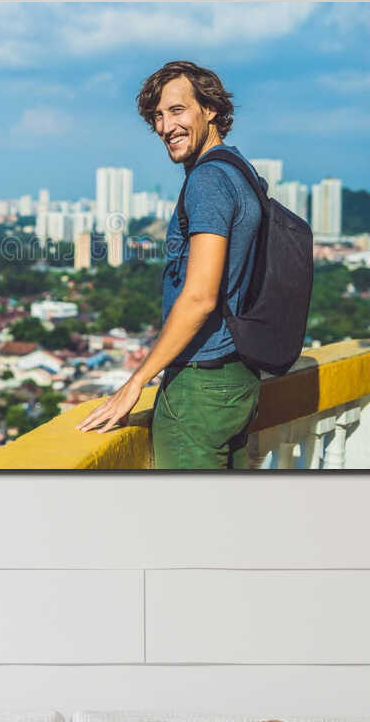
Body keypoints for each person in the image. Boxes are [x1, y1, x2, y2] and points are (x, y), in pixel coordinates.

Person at [78, 60, 261, 469]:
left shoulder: (208, 180)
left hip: (200, 385)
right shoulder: (241, 172)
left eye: (177, 111)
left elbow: (199, 297)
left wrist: (134, 384)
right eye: (157, 117)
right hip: (238, 379)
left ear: (210, 109)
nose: (165, 127)